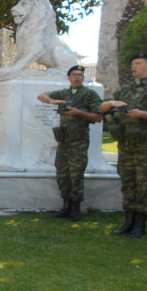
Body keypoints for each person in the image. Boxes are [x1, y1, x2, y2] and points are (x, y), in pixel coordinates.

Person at [99, 52, 147, 238]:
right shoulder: (125, 90)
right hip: (126, 144)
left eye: (138, 63)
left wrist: (141, 114)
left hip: (146, 145)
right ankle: (128, 221)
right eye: (132, 64)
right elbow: (105, 109)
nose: (134, 67)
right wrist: (111, 108)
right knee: (128, 182)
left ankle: (140, 224)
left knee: (143, 183)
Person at [37, 65, 103, 222]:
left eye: (80, 75)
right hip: (63, 142)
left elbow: (98, 117)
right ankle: (65, 205)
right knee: (62, 174)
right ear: (69, 77)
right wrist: (53, 101)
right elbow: (41, 96)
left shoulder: (89, 94)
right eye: (74, 74)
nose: (77, 77)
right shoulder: (64, 93)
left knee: (76, 175)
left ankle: (75, 208)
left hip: (78, 142)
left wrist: (79, 112)